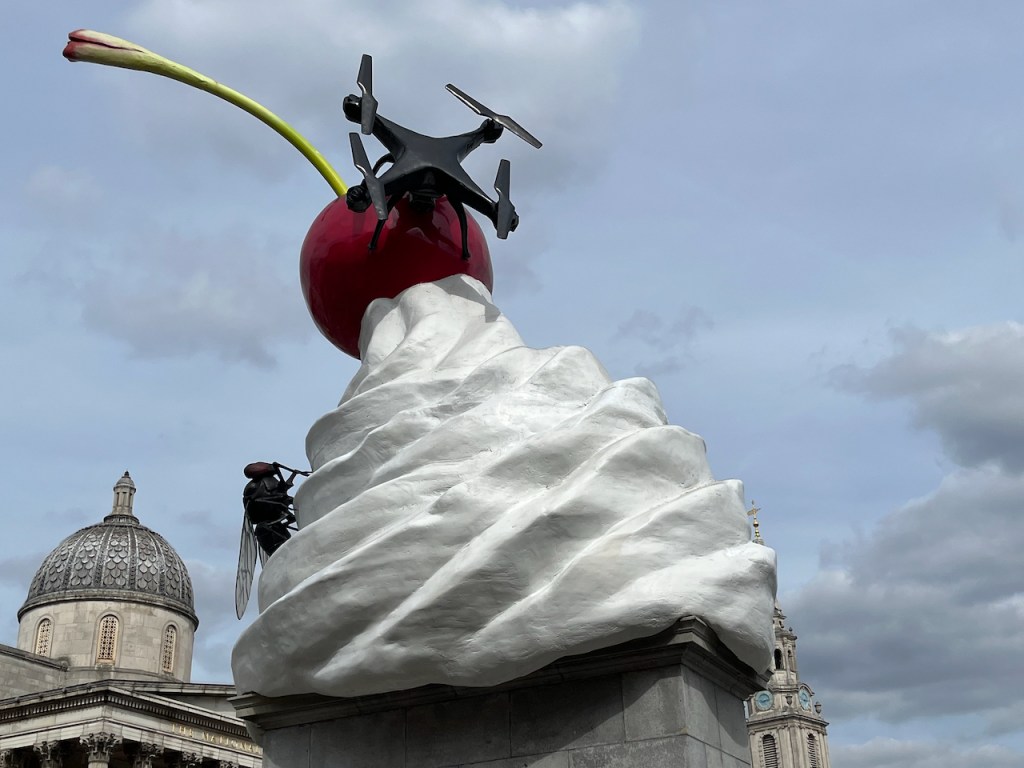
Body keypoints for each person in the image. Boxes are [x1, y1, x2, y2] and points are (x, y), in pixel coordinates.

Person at [242, 461, 304, 556]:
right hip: (270, 531)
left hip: (274, 525)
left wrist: (295, 473)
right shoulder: (254, 487)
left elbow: (282, 494)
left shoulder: (268, 482)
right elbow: (258, 501)